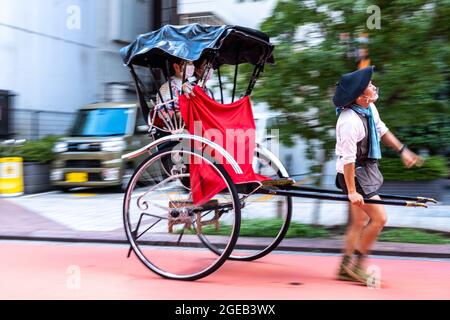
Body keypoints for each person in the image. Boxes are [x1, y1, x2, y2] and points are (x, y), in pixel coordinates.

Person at [333, 66, 422, 284]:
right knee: (380, 218)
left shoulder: (369, 109)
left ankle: (345, 266)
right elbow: (348, 160)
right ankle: (358, 266)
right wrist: (352, 192)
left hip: (365, 170)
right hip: (353, 175)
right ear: (360, 97)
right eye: (369, 86)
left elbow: (381, 130)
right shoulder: (349, 122)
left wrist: (403, 150)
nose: (373, 87)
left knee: (359, 221)